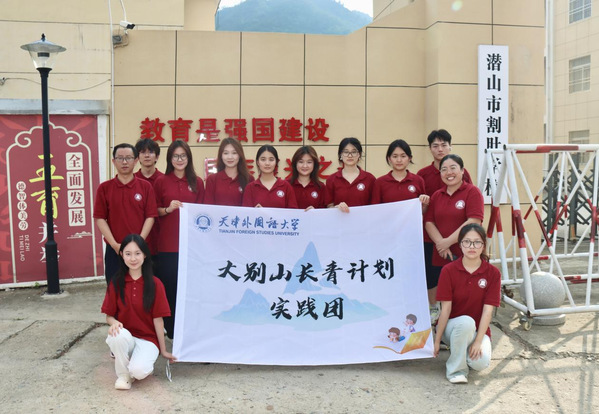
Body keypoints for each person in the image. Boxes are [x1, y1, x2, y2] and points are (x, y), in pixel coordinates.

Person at [101, 234, 175, 390]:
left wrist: (163, 350)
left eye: (137, 253)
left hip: (148, 340)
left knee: (139, 372)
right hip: (126, 337)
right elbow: (109, 316)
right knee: (117, 335)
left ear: (145, 255)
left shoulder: (155, 284)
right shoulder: (116, 282)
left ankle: (135, 365)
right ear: (122, 255)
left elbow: (158, 320)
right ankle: (123, 376)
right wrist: (114, 323)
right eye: (128, 254)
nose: (133, 258)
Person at [434, 223, 501, 384]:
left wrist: (478, 342)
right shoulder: (448, 271)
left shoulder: (493, 273)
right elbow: (445, 309)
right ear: (460, 244)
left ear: (483, 245)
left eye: (477, 242)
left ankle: (461, 351)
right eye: (467, 242)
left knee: (479, 363)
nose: (472, 246)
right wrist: (436, 341)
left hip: (477, 330)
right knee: (466, 322)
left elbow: (487, 312)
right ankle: (456, 370)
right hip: (452, 328)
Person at [417, 130, 472, 323]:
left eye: (444, 145)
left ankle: (456, 311)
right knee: (431, 274)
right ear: (430, 148)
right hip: (430, 235)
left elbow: (470, 202)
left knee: (457, 275)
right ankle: (433, 308)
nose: (440, 149)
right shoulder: (422, 174)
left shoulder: (462, 173)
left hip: (457, 235)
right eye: (435, 146)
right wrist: (440, 242)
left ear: (450, 146)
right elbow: (421, 209)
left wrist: (448, 241)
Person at [153, 140, 204, 339]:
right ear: (170, 159)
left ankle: (191, 329)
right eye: (175, 156)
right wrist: (168, 209)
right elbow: (154, 210)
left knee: (192, 289)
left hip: (192, 246)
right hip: (168, 246)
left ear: (188, 158)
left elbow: (203, 213)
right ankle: (172, 330)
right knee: (170, 288)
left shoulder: (197, 182)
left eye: (183, 156)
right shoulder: (161, 181)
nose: (179, 159)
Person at [94, 143, 157, 283]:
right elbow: (100, 218)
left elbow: (150, 216)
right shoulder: (104, 188)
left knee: (143, 288)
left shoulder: (145, 187)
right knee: (115, 288)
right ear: (113, 161)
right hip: (115, 250)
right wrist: (115, 245)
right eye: (120, 158)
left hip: (141, 250)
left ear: (136, 161)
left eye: (128, 158)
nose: (124, 162)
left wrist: (138, 243)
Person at [425, 154, 484, 268]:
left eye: (453, 168)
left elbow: (474, 221)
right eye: (444, 169)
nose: (449, 172)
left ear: (462, 170)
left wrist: (447, 242)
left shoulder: (472, 192)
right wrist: (441, 244)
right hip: (442, 255)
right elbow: (429, 222)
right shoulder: (437, 195)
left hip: (466, 255)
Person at [371, 139, 429, 210]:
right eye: (395, 156)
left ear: (409, 158)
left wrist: (425, 205)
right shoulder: (379, 182)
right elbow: (375, 209)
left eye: (403, 156)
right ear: (389, 159)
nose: (399, 160)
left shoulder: (418, 180)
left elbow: (422, 210)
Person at [326, 137, 375, 212]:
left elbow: (374, 206)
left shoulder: (370, 179)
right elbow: (328, 205)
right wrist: (336, 208)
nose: (350, 155)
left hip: (363, 219)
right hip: (340, 219)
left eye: (354, 152)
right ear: (340, 155)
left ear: (359, 154)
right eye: (346, 152)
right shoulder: (331, 179)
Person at [134, 139, 164, 261]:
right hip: (137, 239)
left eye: (151, 152)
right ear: (137, 157)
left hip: (160, 239)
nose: (147, 155)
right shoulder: (132, 180)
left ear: (157, 157)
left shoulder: (164, 180)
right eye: (143, 152)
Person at [204, 137, 253, 206]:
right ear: (221, 156)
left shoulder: (249, 179)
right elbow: (208, 207)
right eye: (226, 153)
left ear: (240, 155)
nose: (230, 157)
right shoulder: (212, 180)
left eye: (234, 153)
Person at [287, 145, 327, 210]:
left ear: (314, 164)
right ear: (295, 164)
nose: (305, 166)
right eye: (301, 162)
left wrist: (315, 212)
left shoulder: (321, 187)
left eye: (309, 162)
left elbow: (324, 212)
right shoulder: (286, 185)